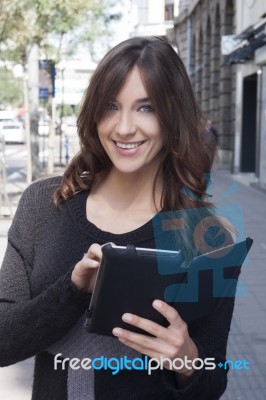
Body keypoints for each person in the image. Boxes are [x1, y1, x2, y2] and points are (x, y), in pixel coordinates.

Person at [0, 36, 236, 400]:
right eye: (111, 106)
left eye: (146, 108)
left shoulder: (208, 239)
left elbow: (212, 382)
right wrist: (72, 291)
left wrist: (187, 360)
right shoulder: (43, 206)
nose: (124, 128)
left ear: (174, 117)